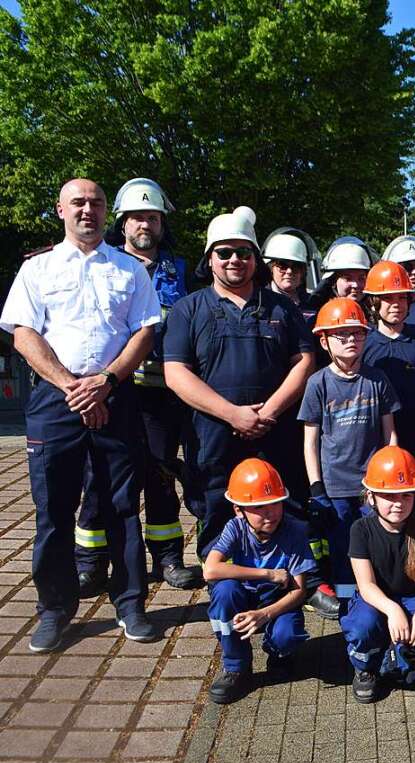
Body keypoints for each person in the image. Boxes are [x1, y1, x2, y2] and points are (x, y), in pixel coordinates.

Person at [0, 178, 162, 651]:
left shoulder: (129, 270)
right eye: (78, 203)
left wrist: (106, 383)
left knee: (122, 507)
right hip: (57, 398)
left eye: (95, 203)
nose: (87, 210)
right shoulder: (37, 269)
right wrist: (72, 386)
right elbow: (23, 334)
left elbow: (145, 332)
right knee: (53, 511)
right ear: (60, 211)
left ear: (106, 211)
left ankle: (131, 604)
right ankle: (54, 609)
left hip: (115, 393)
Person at [163, 207, 316, 562]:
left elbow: (304, 361)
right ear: (210, 259)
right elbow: (176, 373)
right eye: (225, 252)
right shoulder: (189, 309)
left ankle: (290, 576)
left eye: (244, 252)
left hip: (275, 429)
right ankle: (224, 577)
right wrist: (233, 415)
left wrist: (271, 411)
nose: (235, 259)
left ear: (255, 258)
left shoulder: (281, 308)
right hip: (213, 432)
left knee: (284, 498)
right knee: (216, 500)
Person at [75, 177, 200, 595]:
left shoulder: (182, 272)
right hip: (112, 391)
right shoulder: (104, 264)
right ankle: (92, 561)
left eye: (153, 217)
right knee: (102, 478)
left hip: (163, 394)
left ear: (162, 224)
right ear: (123, 223)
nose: (145, 225)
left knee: (162, 475)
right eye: (137, 218)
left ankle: (167, 558)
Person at [299, 297, 400, 613]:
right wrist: (317, 488)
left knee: (379, 546)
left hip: (373, 488)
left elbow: (390, 434)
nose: (350, 341)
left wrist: (393, 477)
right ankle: (348, 605)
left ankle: (380, 604)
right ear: (325, 341)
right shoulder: (318, 384)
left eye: (357, 333)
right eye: (341, 335)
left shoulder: (377, 380)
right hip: (337, 488)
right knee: (343, 549)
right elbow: (310, 441)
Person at [339, 446, 415, 703]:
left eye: (406, 496)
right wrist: (393, 611)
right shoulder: (361, 529)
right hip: (376, 600)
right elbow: (366, 585)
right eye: (389, 496)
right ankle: (366, 667)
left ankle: (414, 659)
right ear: (371, 497)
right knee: (363, 626)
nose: (398, 504)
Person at [203, 458, 315, 703]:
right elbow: (210, 570)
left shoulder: (295, 531)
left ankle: (279, 653)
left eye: (276, 504)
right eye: (260, 507)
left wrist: (264, 614)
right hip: (245, 599)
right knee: (224, 592)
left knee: (287, 635)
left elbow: (298, 591)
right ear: (238, 510)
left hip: (278, 602)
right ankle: (236, 666)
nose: (271, 513)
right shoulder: (235, 528)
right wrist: (267, 574)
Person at [361, 261, 415, 475]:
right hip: (370, 443)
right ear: (373, 302)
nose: (396, 304)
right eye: (388, 298)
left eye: (402, 297)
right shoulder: (362, 344)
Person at [262, 227, 321, 326]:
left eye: (296, 266)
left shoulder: (313, 304)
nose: (289, 271)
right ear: (271, 268)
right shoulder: (260, 302)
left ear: (303, 272)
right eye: (283, 265)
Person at [312, 235, 374, 309]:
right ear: (333, 281)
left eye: (361, 278)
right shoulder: (317, 314)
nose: (355, 285)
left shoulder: (374, 314)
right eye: (348, 279)